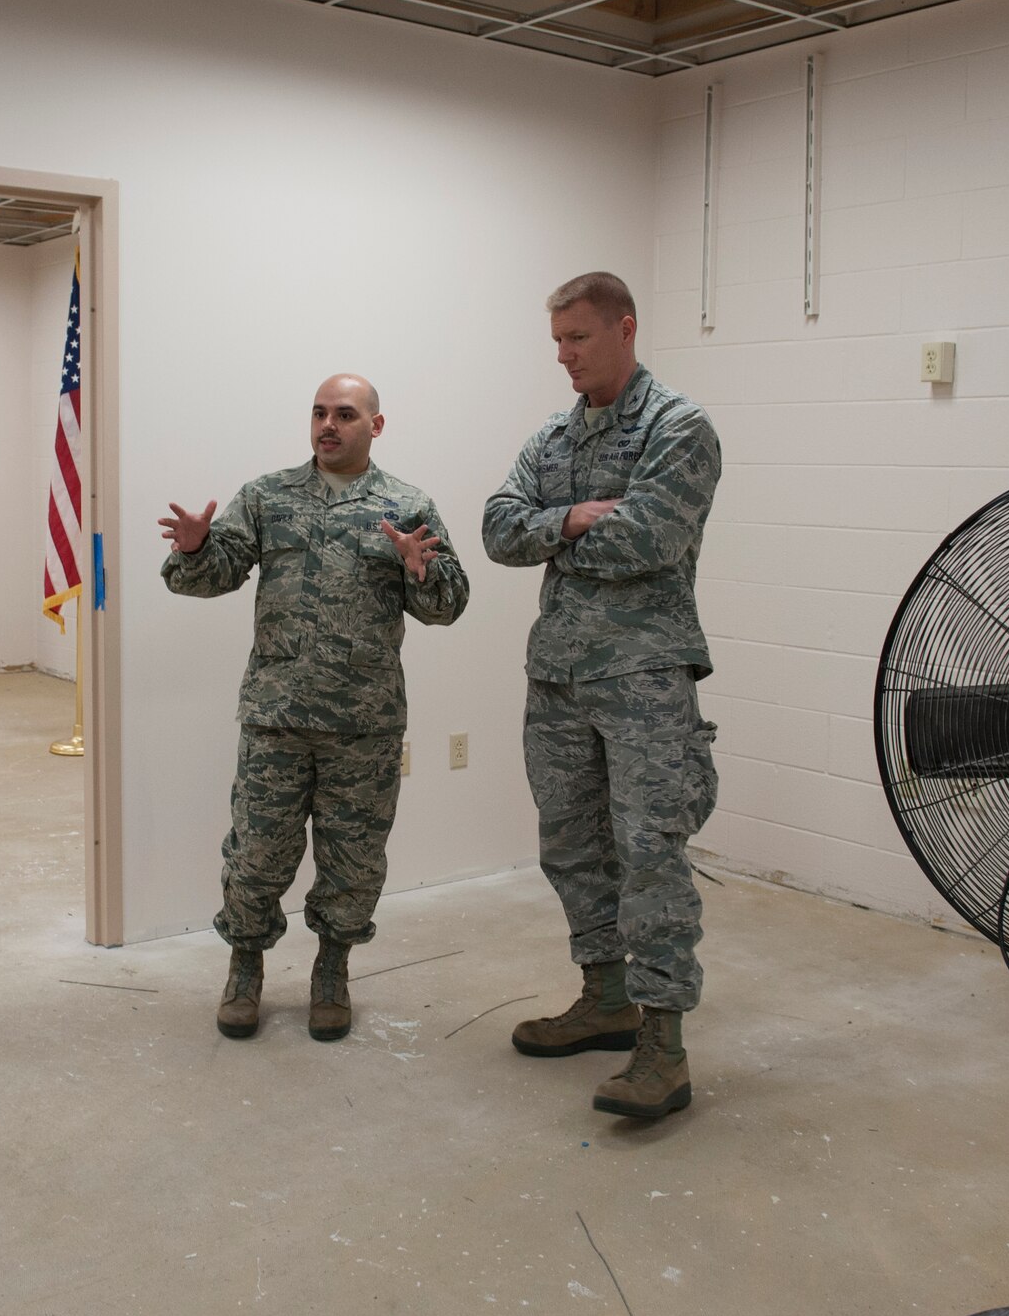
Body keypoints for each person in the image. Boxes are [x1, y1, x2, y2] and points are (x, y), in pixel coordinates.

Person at [160, 374, 469, 1042]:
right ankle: (245, 969)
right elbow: (213, 574)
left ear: (375, 426)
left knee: (353, 860)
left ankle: (333, 970)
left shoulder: (406, 504)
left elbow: (447, 605)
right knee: (255, 855)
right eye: (320, 413)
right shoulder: (268, 497)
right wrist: (194, 548)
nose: (329, 425)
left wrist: (423, 569)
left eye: (346, 414)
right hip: (278, 716)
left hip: (364, 723)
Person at [481, 272, 721, 1120]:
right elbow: (498, 527)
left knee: (650, 854)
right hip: (558, 677)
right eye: (556, 341)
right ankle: (606, 997)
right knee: (572, 846)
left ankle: (665, 1045)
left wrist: (558, 532)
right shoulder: (554, 434)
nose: (564, 355)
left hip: (644, 679)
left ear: (624, 327)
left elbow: (651, 539)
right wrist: (574, 519)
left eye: (577, 338)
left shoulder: (678, 427)